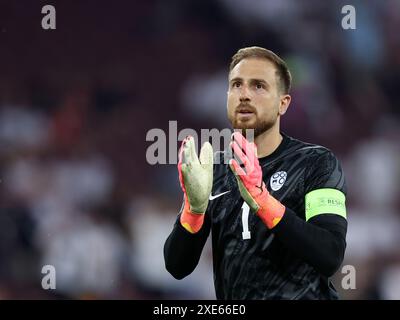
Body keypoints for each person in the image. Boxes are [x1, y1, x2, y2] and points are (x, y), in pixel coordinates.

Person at [164, 46, 348, 300]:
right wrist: (193, 210)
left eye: (258, 86)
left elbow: (330, 256)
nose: (244, 95)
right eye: (236, 85)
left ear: (283, 104)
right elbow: (177, 267)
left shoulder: (317, 163)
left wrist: (263, 201)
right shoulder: (214, 170)